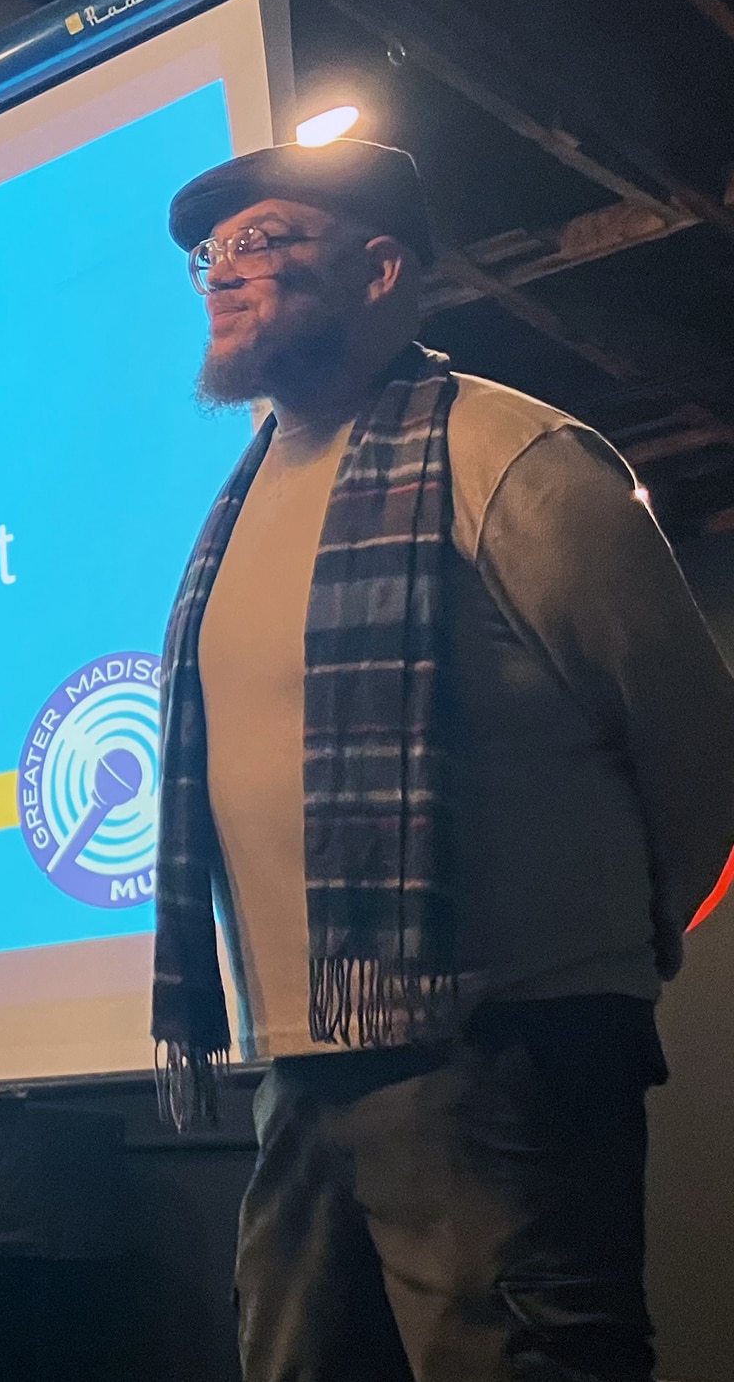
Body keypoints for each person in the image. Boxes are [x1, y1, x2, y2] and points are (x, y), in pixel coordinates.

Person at [149, 138, 734, 1381]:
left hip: (506, 1053)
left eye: (264, 241)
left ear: (378, 270)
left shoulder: (511, 461)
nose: (222, 272)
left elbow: (695, 751)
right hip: (301, 1068)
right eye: (212, 253)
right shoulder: (240, 499)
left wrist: (589, 962)